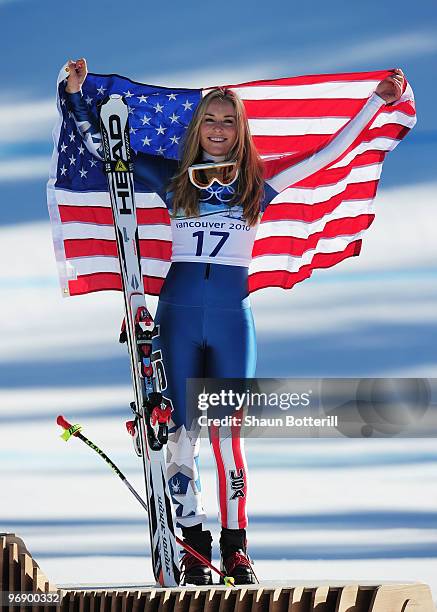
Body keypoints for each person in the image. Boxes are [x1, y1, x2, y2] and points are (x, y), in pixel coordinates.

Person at [64, 59, 404, 585]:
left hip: (230, 323)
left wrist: (377, 104)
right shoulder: (173, 178)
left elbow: (327, 155)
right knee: (179, 435)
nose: (218, 130)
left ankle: (236, 548)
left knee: (228, 440)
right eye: (210, 120)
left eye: (228, 121)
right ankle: (194, 543)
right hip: (177, 318)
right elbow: (103, 148)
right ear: (198, 127)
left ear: (239, 130)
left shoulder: (258, 184)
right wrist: (76, 95)